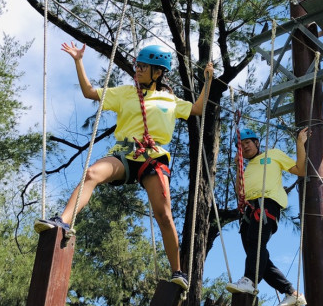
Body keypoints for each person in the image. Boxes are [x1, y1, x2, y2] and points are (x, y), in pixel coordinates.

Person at [35, 44, 214, 290]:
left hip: (153, 158)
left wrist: (207, 82)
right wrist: (78, 61)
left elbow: (196, 109)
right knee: (92, 173)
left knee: (164, 214)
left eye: (142, 67)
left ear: (158, 72)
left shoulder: (171, 100)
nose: (137, 70)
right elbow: (89, 92)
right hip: (124, 153)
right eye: (136, 65)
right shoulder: (124, 93)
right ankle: (63, 222)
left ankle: (178, 272)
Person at [226, 127, 308, 306]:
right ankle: (291, 293)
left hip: (266, 203)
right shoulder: (247, 167)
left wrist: (299, 144)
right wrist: (239, 167)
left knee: (256, 243)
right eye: (241, 146)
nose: (245, 147)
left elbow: (300, 170)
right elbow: (240, 192)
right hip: (249, 209)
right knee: (256, 252)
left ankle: (249, 280)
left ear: (256, 143)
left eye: (247, 143)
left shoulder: (274, 154)